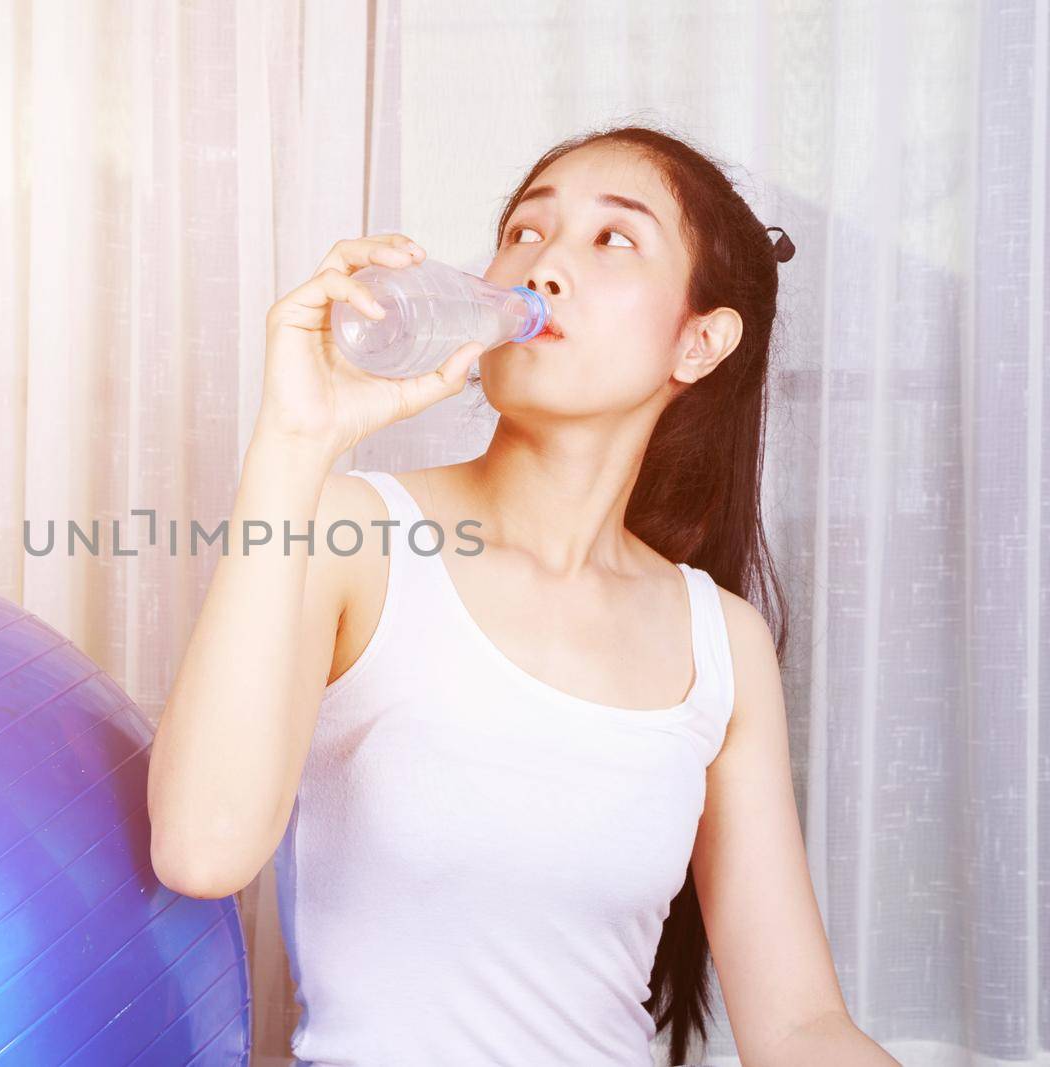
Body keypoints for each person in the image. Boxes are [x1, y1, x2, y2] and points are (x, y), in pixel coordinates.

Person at [146, 125, 897, 1066]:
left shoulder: (722, 641)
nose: (539, 268)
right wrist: (295, 440)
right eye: (525, 232)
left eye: (612, 239)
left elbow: (797, 1024)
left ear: (700, 342)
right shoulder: (356, 535)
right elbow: (200, 849)